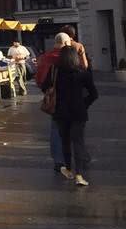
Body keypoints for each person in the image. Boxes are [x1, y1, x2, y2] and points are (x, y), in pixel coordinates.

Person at [41, 45, 97, 185]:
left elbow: (45, 86)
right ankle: (79, 174)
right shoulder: (82, 73)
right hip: (78, 112)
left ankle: (68, 169)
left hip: (60, 111)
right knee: (78, 142)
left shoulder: (55, 71)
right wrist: (85, 103)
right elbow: (94, 94)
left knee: (65, 141)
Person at [36, 33, 71, 172]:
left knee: (56, 128)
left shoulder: (47, 57)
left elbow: (39, 79)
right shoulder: (68, 57)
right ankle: (73, 157)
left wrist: (47, 92)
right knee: (72, 128)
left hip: (54, 98)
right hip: (70, 98)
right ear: (67, 43)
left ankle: (58, 160)